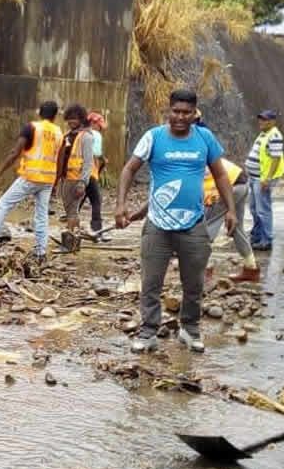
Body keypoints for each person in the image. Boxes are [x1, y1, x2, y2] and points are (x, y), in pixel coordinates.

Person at [115, 88, 236, 354]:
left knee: (193, 283)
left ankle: (190, 330)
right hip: (158, 224)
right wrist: (122, 204)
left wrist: (231, 209)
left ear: (195, 114)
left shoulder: (205, 138)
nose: (180, 117)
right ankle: (148, 332)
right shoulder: (154, 137)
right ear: (168, 111)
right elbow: (129, 169)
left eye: (186, 112)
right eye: (175, 111)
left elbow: (221, 176)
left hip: (193, 224)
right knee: (151, 283)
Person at [0, 101, 64, 261]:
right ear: (55, 116)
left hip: (30, 176)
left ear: (39, 113)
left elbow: (15, 152)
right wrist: (56, 182)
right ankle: (41, 251)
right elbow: (60, 160)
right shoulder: (59, 133)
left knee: (4, 203)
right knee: (41, 215)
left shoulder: (32, 128)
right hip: (48, 179)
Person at [201, 158, 258, 282]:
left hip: (229, 187)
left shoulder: (186, 165)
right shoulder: (200, 152)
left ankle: (205, 270)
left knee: (207, 227)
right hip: (242, 182)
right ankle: (251, 269)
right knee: (236, 227)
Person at [244, 110, 284, 250]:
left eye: (265, 120)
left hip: (263, 179)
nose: (261, 122)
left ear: (273, 122)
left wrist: (267, 179)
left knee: (263, 210)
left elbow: (276, 158)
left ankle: (266, 240)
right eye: (261, 119)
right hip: (255, 177)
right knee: (254, 208)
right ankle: (256, 236)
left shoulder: (274, 136)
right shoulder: (264, 134)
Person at [55, 104, 93, 251]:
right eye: (69, 118)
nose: (71, 121)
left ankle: (71, 242)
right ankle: (73, 241)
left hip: (76, 179)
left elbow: (88, 162)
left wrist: (83, 182)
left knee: (72, 211)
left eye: (74, 118)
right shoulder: (68, 136)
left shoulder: (86, 137)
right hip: (66, 178)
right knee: (69, 210)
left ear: (81, 119)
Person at [81, 112, 109, 240]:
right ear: (93, 123)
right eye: (99, 125)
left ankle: (70, 228)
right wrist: (103, 159)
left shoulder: (80, 133)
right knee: (96, 201)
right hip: (90, 173)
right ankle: (97, 230)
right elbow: (96, 153)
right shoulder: (95, 135)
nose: (100, 128)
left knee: (78, 201)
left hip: (77, 173)